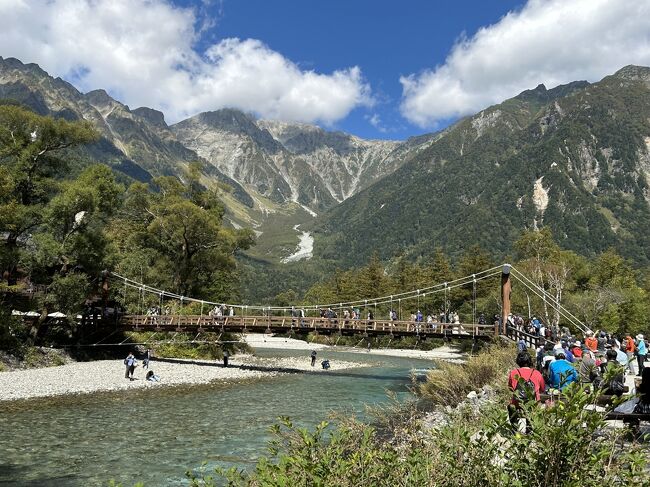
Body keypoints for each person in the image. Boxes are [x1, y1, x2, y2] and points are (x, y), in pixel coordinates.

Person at [508, 351, 545, 433]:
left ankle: (515, 429)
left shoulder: (513, 372)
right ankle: (530, 430)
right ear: (530, 361)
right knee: (534, 406)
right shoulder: (537, 373)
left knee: (511, 407)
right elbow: (542, 389)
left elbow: (510, 388)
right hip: (533, 403)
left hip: (518, 403)